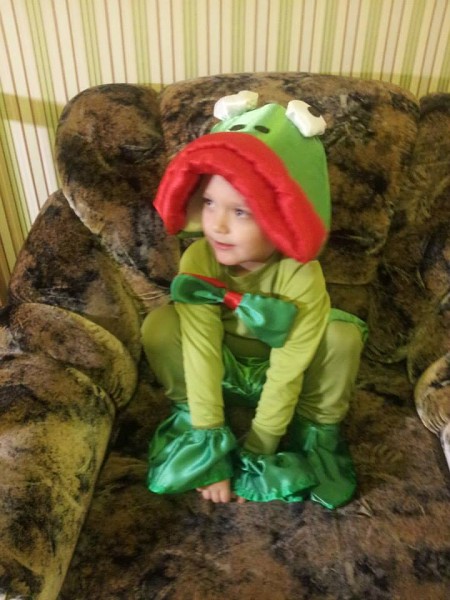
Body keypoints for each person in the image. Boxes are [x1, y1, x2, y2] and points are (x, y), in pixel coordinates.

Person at [142, 91, 367, 509]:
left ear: (283, 216)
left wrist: (259, 451)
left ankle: (316, 434)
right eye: (209, 203)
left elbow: (288, 372)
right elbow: (200, 351)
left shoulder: (301, 274)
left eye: (241, 212)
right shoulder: (199, 258)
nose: (217, 225)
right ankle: (190, 419)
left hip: (282, 376)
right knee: (159, 325)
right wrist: (209, 448)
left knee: (342, 337)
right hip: (221, 370)